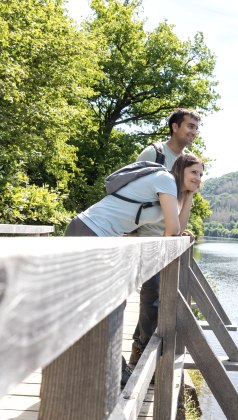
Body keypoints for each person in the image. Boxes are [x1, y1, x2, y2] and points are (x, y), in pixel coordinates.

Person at [64, 152, 204, 385]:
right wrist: (179, 228)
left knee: (105, 304)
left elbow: (176, 228)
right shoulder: (165, 180)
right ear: (180, 169)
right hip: (89, 231)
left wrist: (189, 196)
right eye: (193, 172)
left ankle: (107, 370)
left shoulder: (171, 190)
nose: (198, 178)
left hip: (101, 238)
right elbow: (173, 230)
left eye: (201, 174)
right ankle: (109, 371)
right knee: (104, 304)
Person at [127, 109, 201, 371]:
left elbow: (179, 199)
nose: (193, 132)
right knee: (151, 297)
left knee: (156, 298)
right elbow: (132, 187)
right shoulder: (155, 154)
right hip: (145, 236)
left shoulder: (185, 161)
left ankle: (142, 355)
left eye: (196, 128)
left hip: (167, 238)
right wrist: (131, 228)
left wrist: (182, 229)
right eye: (189, 126)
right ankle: (140, 357)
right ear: (174, 126)